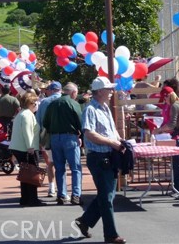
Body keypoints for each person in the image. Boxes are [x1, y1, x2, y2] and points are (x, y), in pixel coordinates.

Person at [75, 77, 126, 244]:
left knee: (107, 195)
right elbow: (89, 133)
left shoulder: (104, 108)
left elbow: (112, 131)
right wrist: (113, 142)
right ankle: (110, 234)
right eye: (109, 89)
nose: (112, 92)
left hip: (108, 155)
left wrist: (119, 141)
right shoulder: (90, 109)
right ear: (100, 91)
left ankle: (85, 221)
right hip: (98, 156)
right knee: (106, 197)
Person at [43, 82, 83, 206]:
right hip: (70, 137)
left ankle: (61, 194)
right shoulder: (73, 103)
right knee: (75, 168)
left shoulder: (52, 104)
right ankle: (76, 195)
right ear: (73, 92)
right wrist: (79, 133)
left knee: (59, 168)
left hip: (55, 138)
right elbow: (80, 121)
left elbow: (45, 122)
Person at [9, 91, 44, 207]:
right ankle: (33, 199)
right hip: (26, 149)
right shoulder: (28, 115)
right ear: (31, 103)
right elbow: (27, 132)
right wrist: (30, 147)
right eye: (35, 102)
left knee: (25, 174)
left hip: (19, 148)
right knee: (32, 174)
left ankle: (25, 198)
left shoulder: (21, 114)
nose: (36, 104)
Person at [37, 80, 62, 198]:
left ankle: (52, 187)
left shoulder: (44, 102)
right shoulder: (65, 101)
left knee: (50, 163)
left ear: (51, 90)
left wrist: (39, 139)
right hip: (64, 136)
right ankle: (62, 189)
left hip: (48, 136)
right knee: (62, 163)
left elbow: (38, 121)